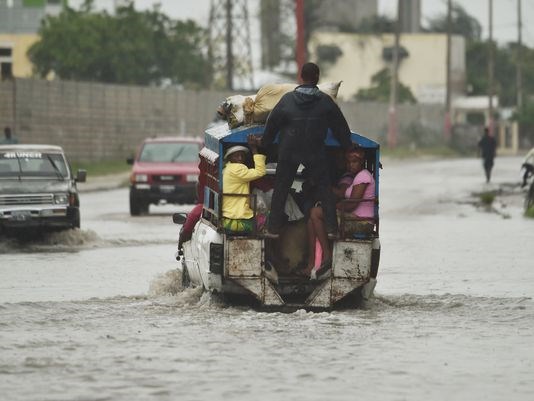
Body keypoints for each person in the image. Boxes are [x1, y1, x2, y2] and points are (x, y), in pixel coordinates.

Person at [259, 62, 353, 238]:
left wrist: (264, 143)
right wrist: (348, 145)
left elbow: (272, 124)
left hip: (289, 151)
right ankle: (332, 230)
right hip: (314, 151)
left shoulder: (287, 100)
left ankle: (273, 229)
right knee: (325, 188)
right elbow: (340, 127)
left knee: (281, 187)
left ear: (301, 77)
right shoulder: (325, 102)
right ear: (317, 77)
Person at [303, 148, 375, 280]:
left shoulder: (363, 176)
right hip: (351, 218)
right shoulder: (355, 178)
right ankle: (312, 263)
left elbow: (353, 204)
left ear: (361, 162)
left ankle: (327, 256)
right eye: (348, 162)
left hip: (360, 222)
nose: (350, 165)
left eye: (354, 162)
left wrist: (333, 207)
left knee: (315, 212)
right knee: (311, 219)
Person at [222, 134, 266, 233]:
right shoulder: (238, 168)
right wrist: (254, 149)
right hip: (237, 215)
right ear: (230, 158)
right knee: (268, 216)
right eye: (236, 155)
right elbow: (260, 172)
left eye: (242, 155)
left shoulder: (227, 169)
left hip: (228, 213)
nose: (240, 158)